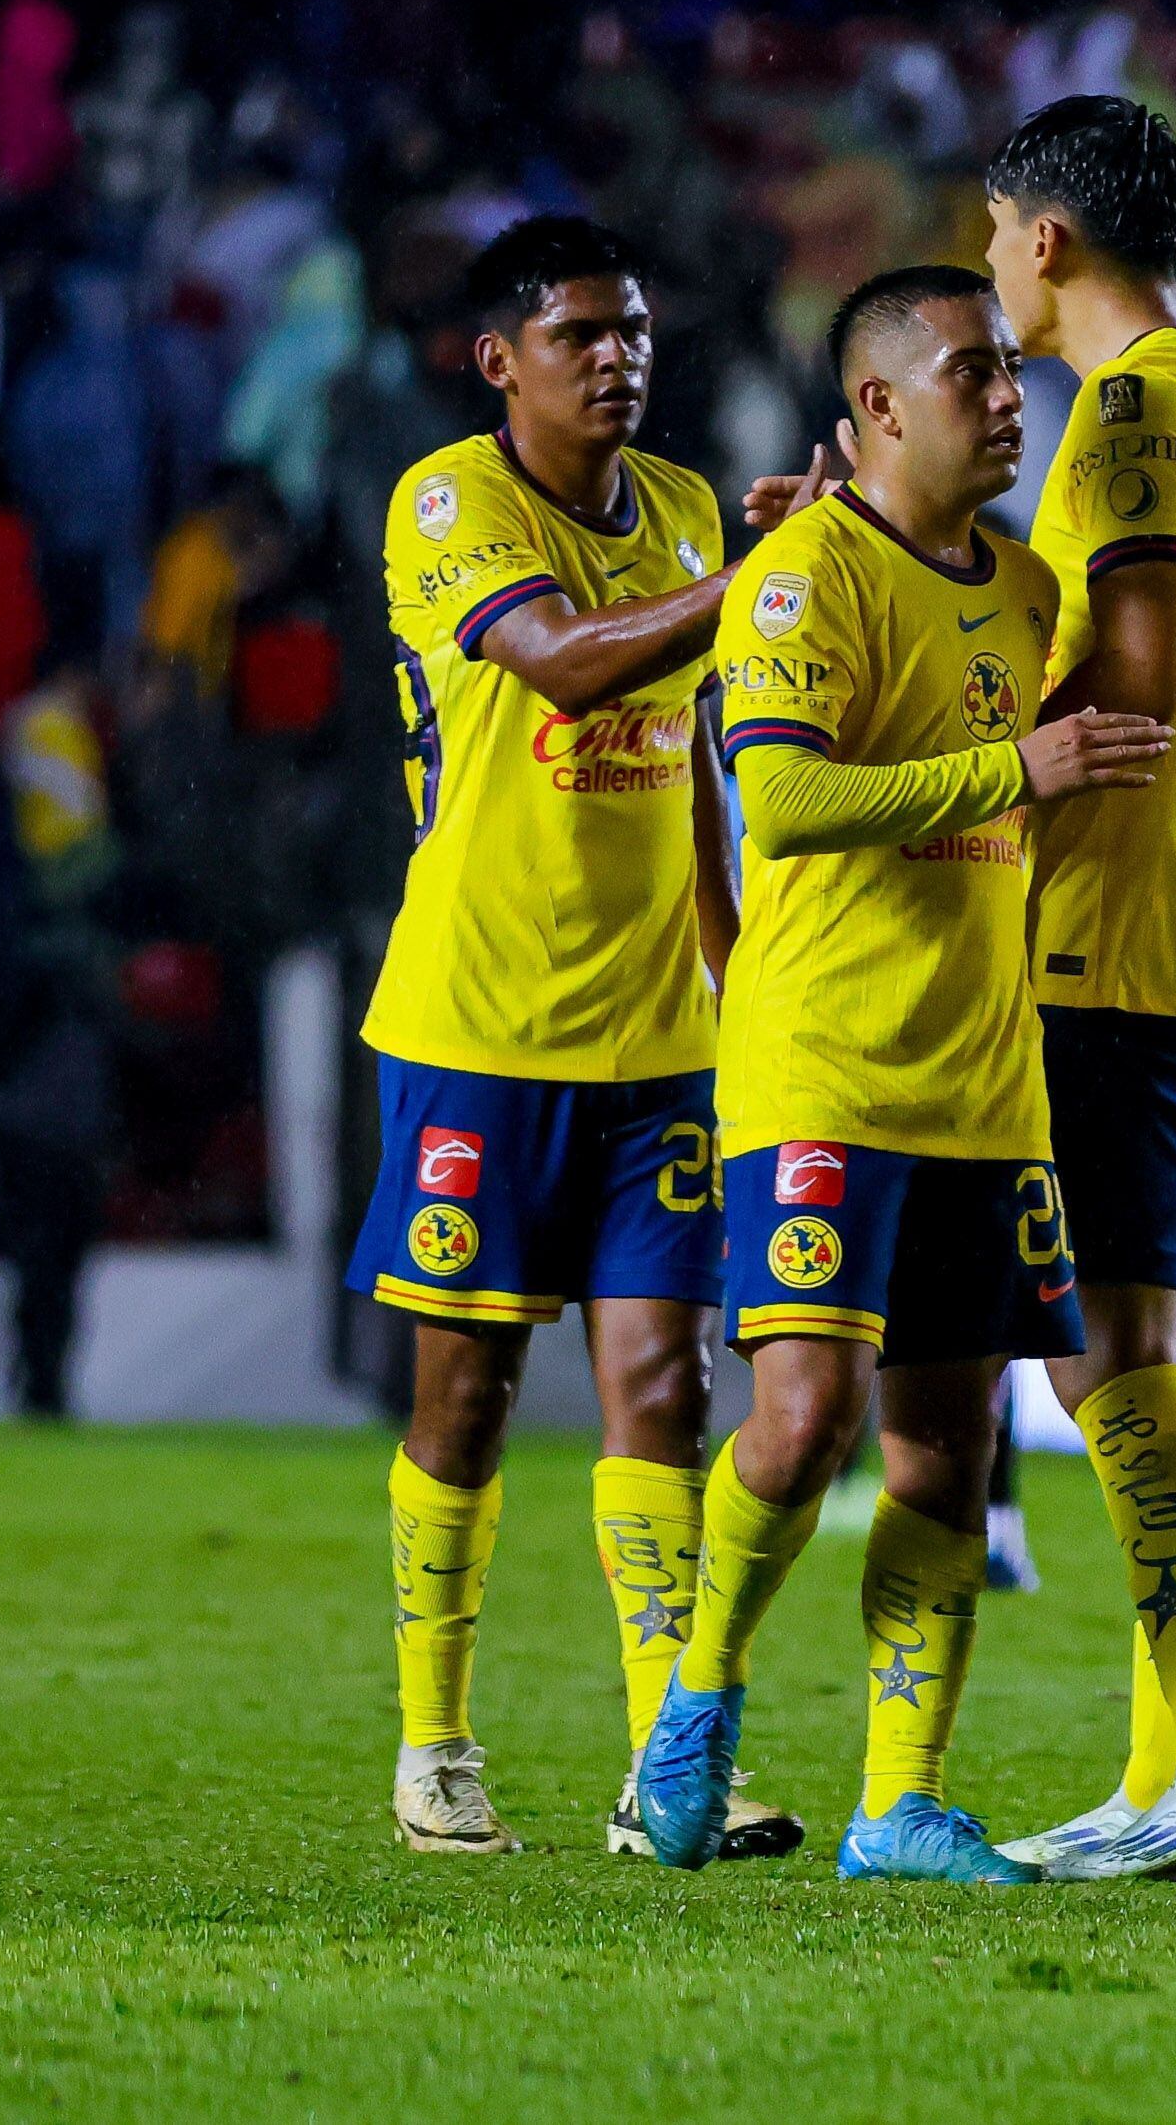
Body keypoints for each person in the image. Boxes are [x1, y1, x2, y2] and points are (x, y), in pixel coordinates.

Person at [631, 267, 1166, 1883]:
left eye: (1012, 372)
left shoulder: (1019, 584)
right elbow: (783, 803)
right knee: (798, 1428)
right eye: (970, 375)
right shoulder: (800, 580)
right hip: (824, 1070)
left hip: (985, 1082)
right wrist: (1024, 765)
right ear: (875, 408)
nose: (1008, 399)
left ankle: (899, 1800)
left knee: (949, 1449)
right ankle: (695, 1696)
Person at [346, 217, 799, 1862]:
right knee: (465, 1399)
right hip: (478, 1021)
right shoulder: (448, 501)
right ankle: (435, 1740)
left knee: (663, 1387)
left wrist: (734, 954)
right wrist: (752, 577)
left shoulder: (679, 507)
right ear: (500, 359)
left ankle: (665, 1763)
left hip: (654, 1039)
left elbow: (685, 761)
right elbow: (560, 661)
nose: (619, 358)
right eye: (583, 335)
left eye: (636, 335)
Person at [971, 95, 1176, 1881]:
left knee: (1114, 1361)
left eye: (993, 229)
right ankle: (1172, 1761)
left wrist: (959, 761)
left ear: (1046, 237)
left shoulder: (1121, 415)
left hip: (1124, 940)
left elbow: (1142, 677)